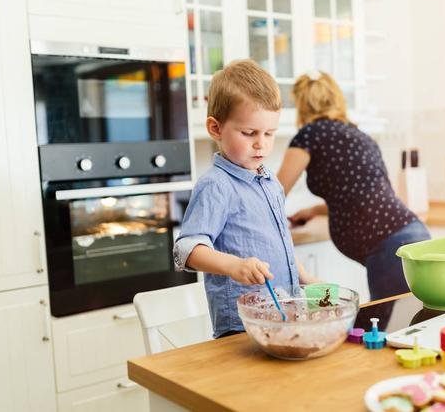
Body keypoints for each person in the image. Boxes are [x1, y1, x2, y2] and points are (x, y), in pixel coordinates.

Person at [173, 60, 317, 338]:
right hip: (242, 326)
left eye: (269, 133)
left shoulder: (270, 181)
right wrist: (235, 266)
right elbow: (186, 250)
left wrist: (304, 277)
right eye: (249, 133)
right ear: (216, 129)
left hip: (283, 318)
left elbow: (282, 242)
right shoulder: (216, 186)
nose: (261, 143)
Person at [277, 70, 431, 301]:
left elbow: (273, 194)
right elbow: (358, 195)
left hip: (391, 248)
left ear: (302, 105)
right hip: (413, 233)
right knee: (411, 326)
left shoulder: (309, 135)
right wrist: (313, 211)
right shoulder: (360, 135)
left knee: (390, 331)